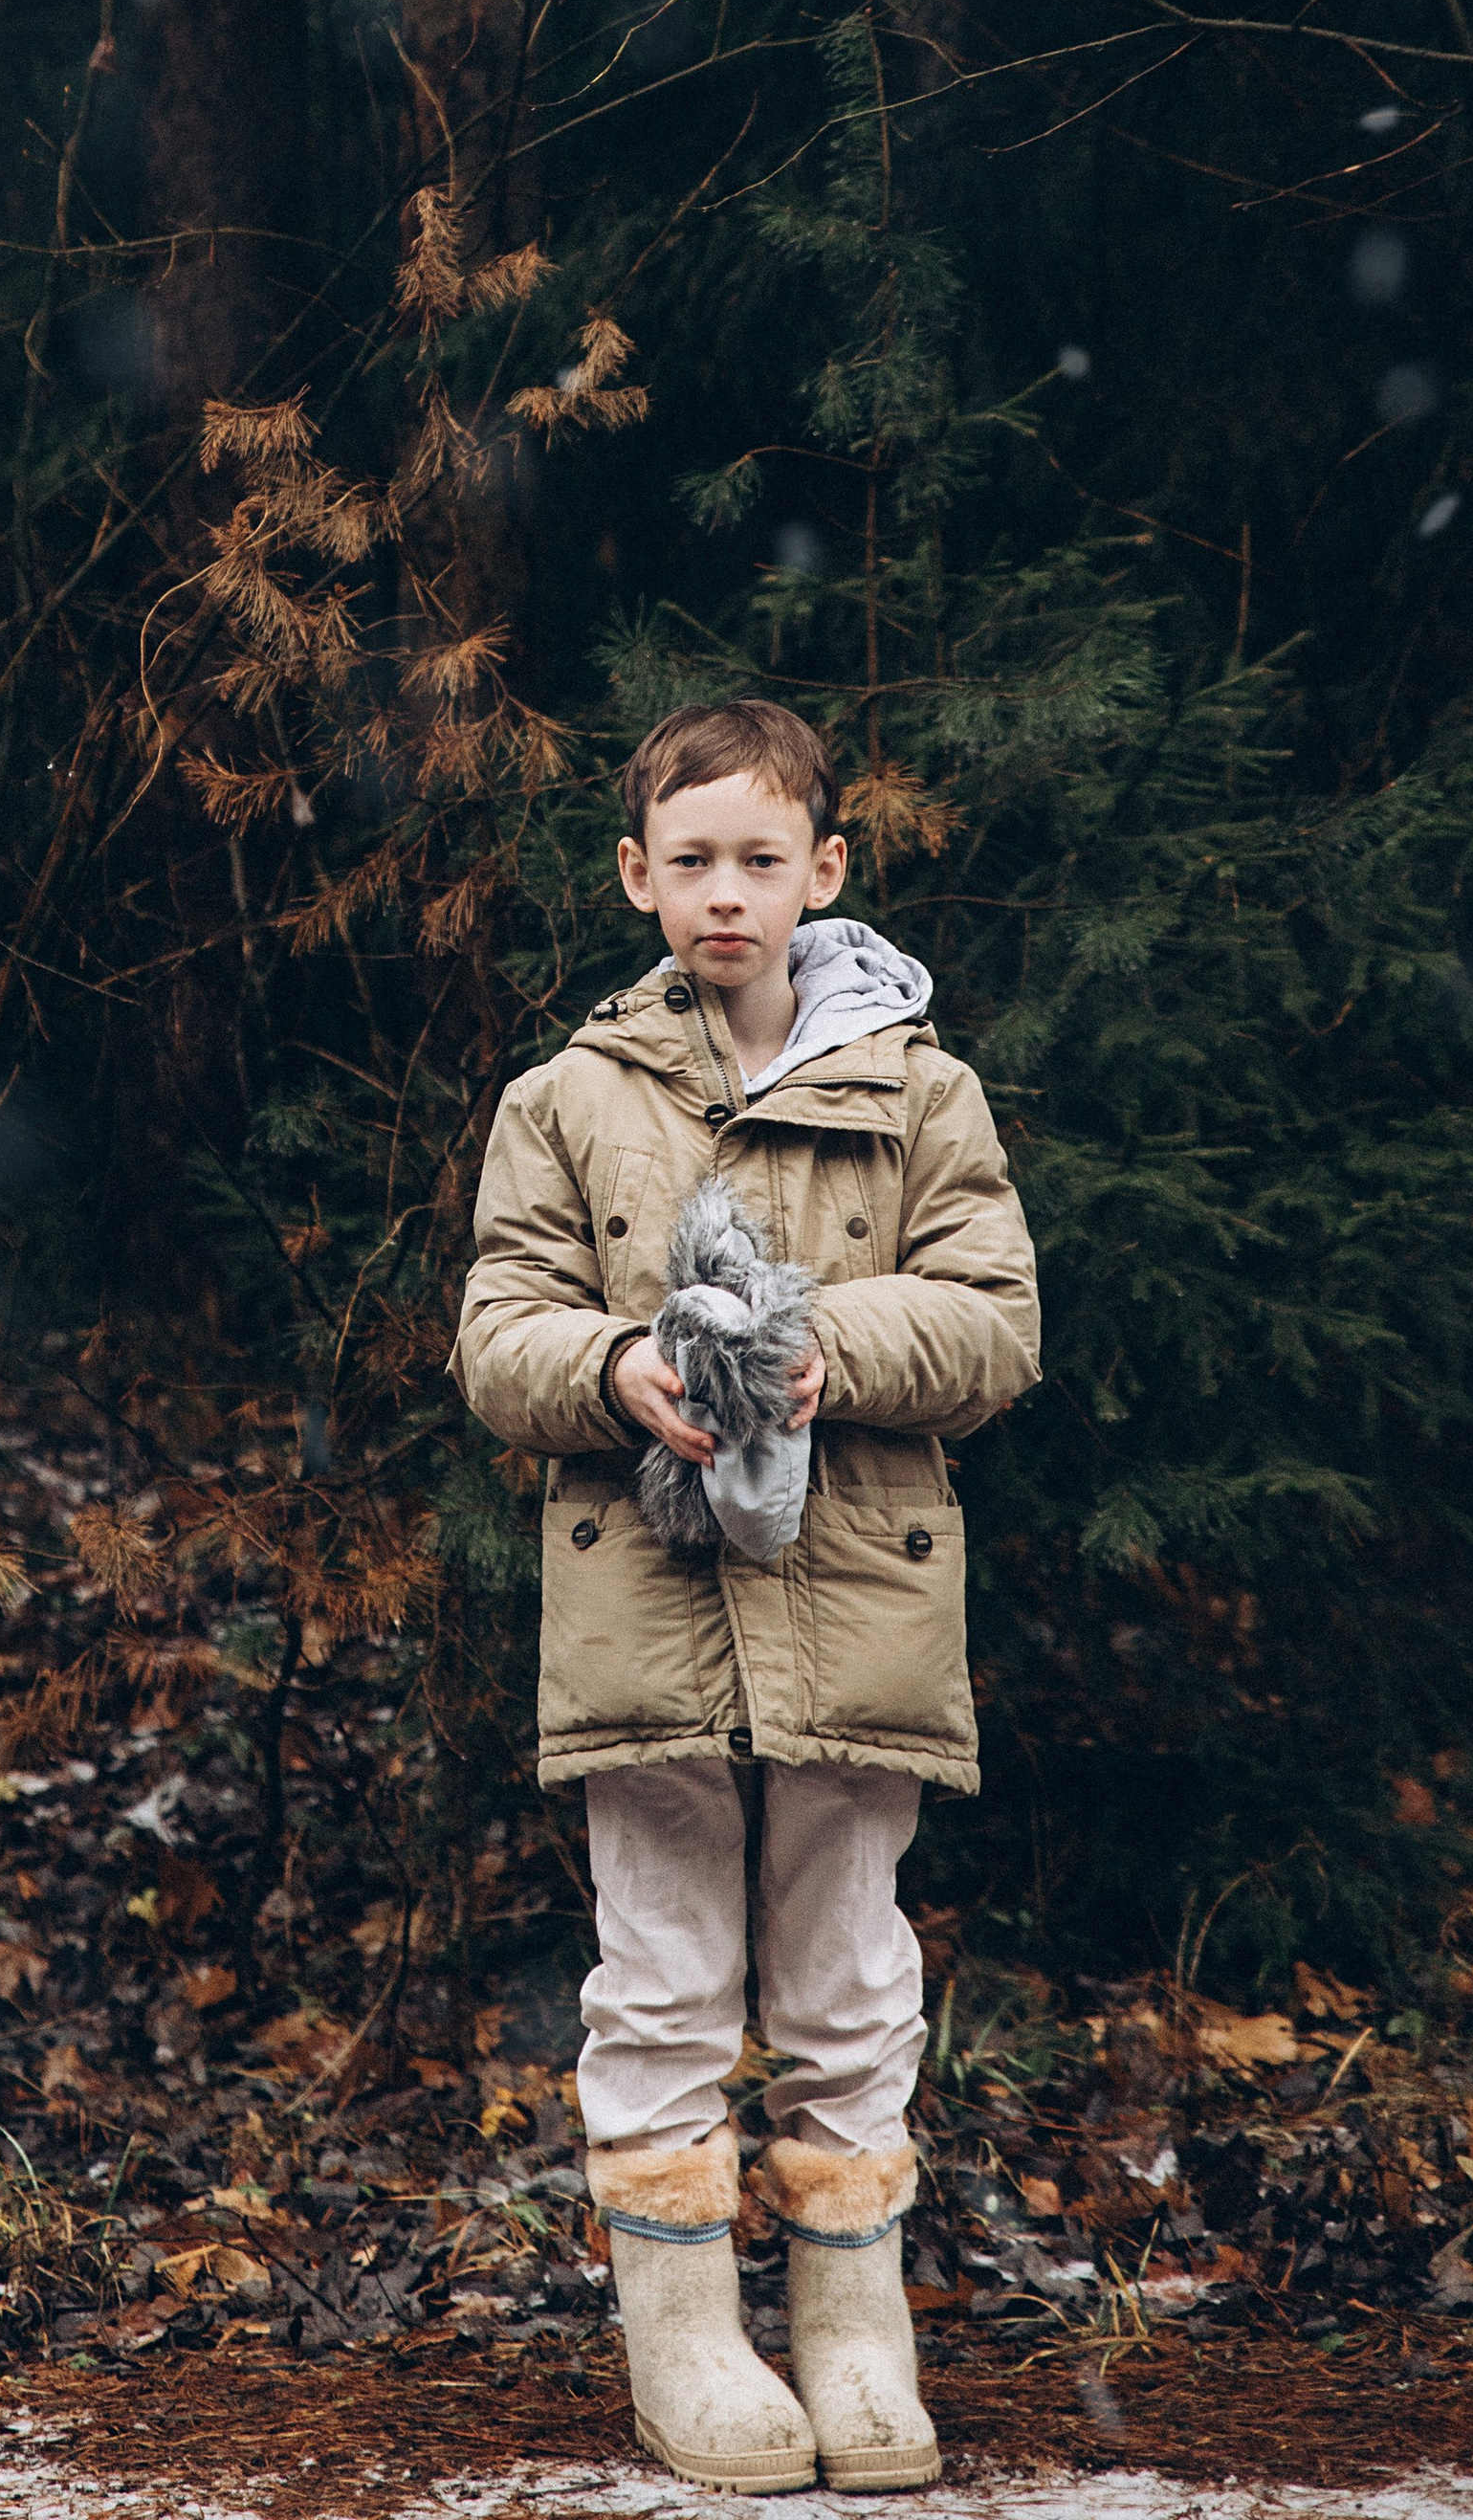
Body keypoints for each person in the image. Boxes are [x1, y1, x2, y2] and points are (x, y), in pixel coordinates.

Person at [451, 697, 1040, 2495]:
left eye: (760, 860)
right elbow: (497, 1329)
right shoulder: (565, 1101)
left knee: (851, 1971)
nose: (726, 894)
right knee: (664, 1977)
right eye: (689, 861)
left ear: (824, 873)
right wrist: (616, 1366)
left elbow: (998, 1318)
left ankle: (859, 2338)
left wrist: (825, 1352)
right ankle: (687, 2343)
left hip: (856, 1595)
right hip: (644, 1597)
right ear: (637, 877)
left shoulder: (921, 1089)